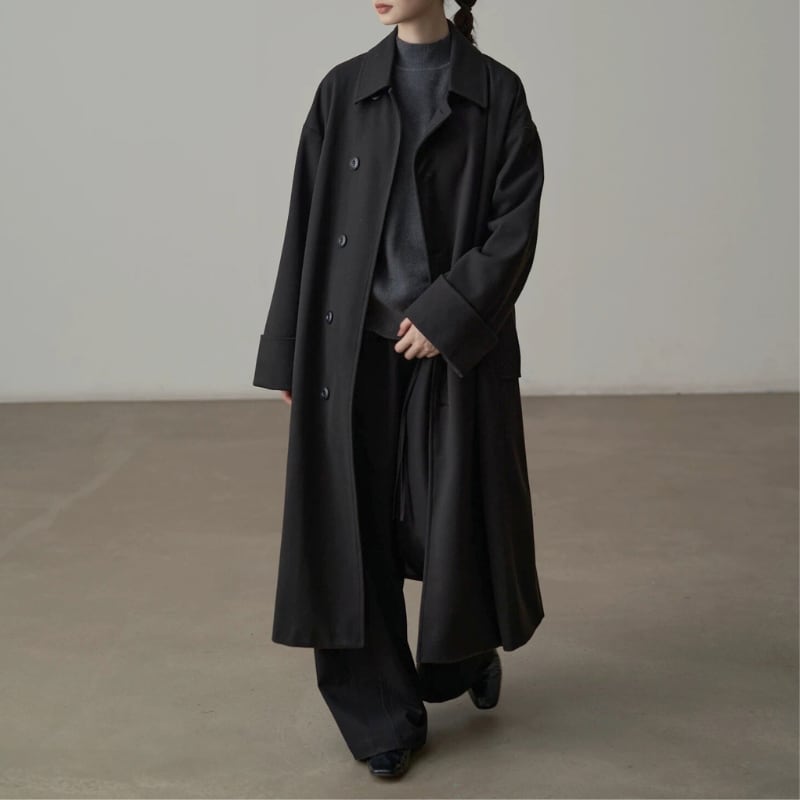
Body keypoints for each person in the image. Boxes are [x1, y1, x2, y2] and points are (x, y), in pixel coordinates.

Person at [254, 0, 545, 780]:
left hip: (455, 349)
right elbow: (305, 223)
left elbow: (514, 227)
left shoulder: (497, 92)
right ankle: (378, 715)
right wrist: (288, 353)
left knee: (455, 517)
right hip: (350, 346)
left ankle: (465, 654)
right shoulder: (343, 90)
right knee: (351, 528)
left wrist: (449, 315)